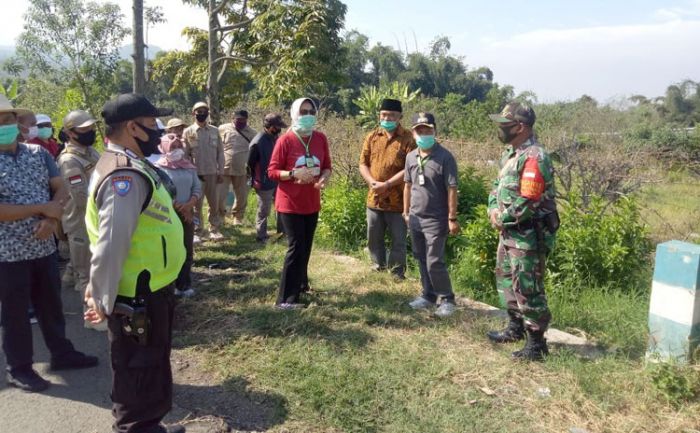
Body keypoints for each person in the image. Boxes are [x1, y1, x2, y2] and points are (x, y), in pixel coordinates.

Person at [83, 93, 186, 433]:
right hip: (138, 296)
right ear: (132, 127)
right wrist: (101, 298)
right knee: (137, 374)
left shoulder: (130, 163)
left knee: (151, 367)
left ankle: (149, 426)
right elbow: (111, 244)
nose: (159, 131)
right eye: (153, 124)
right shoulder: (122, 177)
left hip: (150, 288)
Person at [0, 95, 98, 393]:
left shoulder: (37, 154)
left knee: (50, 305)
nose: (5, 125)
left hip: (44, 248)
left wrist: (53, 220)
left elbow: (62, 188)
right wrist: (44, 209)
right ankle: (19, 368)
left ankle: (62, 353)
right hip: (8, 254)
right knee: (15, 314)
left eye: (7, 119)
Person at [485, 101, 559, 361]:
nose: (500, 128)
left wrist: (502, 218)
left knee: (527, 286)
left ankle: (537, 344)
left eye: (504, 124)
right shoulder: (510, 154)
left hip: (527, 235)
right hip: (509, 233)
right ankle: (515, 327)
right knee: (507, 279)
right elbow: (497, 186)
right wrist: (493, 210)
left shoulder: (535, 156)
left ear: (520, 126)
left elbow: (529, 200)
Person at [268, 98, 331, 309]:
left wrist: (324, 177)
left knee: (306, 247)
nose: (308, 115)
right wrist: (293, 173)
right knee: (295, 248)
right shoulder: (285, 140)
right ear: (294, 114)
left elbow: (327, 166)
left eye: (311, 111)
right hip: (290, 203)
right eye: (303, 111)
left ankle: (302, 285)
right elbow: (272, 171)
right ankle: (285, 299)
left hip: (311, 202)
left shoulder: (320, 138)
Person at [403, 112, 460, 318]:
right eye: (419, 130)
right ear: (414, 133)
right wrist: (405, 211)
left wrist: (452, 218)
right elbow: (407, 186)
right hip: (415, 217)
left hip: (437, 218)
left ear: (435, 131)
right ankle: (428, 295)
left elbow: (452, 188)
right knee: (420, 257)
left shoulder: (445, 157)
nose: (423, 133)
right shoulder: (411, 156)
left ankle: (447, 299)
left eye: (428, 130)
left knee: (434, 260)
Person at [359, 98, 415, 279]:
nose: (387, 118)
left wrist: (388, 184)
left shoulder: (409, 139)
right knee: (374, 236)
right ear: (379, 115)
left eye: (392, 115)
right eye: (384, 115)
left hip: (398, 200)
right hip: (374, 197)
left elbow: (410, 168)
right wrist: (371, 182)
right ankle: (378, 265)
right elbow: (363, 163)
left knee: (398, 239)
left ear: (400, 117)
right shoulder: (372, 136)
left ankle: (397, 272)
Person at [56, 110, 101, 300]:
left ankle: (69, 274)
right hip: (81, 222)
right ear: (71, 133)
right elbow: (81, 197)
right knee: (87, 273)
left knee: (95, 266)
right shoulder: (69, 160)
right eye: (85, 129)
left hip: (96, 217)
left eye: (91, 128)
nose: (90, 132)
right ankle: (92, 318)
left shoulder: (91, 152)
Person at [155, 133, 201, 298]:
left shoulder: (188, 166)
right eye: (172, 147)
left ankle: (184, 285)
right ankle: (168, 285)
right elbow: (160, 193)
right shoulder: (158, 169)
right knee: (170, 251)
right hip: (168, 216)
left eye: (178, 147)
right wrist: (178, 208)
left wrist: (189, 206)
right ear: (164, 148)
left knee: (187, 250)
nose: (177, 150)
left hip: (187, 214)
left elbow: (197, 188)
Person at [183, 102, 224, 240]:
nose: (202, 114)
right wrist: (189, 174)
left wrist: (221, 171)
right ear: (193, 113)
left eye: (204, 111)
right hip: (196, 174)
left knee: (214, 203)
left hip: (213, 173)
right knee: (196, 206)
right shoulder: (188, 132)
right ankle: (197, 231)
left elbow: (220, 153)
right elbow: (185, 155)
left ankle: (214, 229)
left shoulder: (214, 130)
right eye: (198, 111)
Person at [247, 113, 287, 242]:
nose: (279, 129)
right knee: (264, 210)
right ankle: (261, 236)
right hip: (263, 181)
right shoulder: (258, 142)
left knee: (281, 206)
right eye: (277, 127)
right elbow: (250, 164)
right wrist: (256, 179)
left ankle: (282, 232)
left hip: (278, 178)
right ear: (269, 126)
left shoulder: (275, 138)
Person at [219, 109, 257, 225]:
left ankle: (238, 217)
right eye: (238, 119)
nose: (240, 121)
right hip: (224, 167)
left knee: (241, 195)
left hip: (242, 169)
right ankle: (220, 216)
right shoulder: (222, 128)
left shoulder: (252, 133)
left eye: (243, 120)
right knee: (220, 194)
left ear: (247, 120)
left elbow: (254, 151)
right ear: (232, 118)